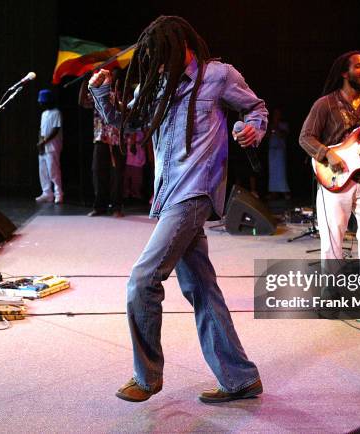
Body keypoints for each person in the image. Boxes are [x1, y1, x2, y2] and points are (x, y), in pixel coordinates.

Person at [89, 15, 266, 404]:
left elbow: (256, 109)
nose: (154, 61)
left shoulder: (218, 75)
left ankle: (146, 376)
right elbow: (126, 123)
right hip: (169, 193)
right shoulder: (155, 85)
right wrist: (103, 94)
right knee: (202, 289)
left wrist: (252, 128)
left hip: (195, 191)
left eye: (160, 52)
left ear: (182, 45)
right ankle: (239, 377)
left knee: (142, 280)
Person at [299, 51, 360, 260]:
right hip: (335, 179)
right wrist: (328, 153)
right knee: (332, 242)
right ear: (344, 74)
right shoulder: (325, 104)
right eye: (358, 66)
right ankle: (331, 291)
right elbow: (305, 138)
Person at [79, 73, 125, 217]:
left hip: (117, 139)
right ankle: (100, 207)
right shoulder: (97, 94)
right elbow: (82, 102)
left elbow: (127, 112)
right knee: (98, 172)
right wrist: (85, 81)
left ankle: (116, 207)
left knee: (117, 175)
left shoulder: (120, 94)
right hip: (101, 138)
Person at [35, 89, 64, 204]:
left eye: (42, 101)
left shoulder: (56, 112)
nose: (40, 103)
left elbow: (56, 129)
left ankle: (58, 193)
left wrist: (45, 141)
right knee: (43, 170)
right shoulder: (44, 114)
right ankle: (47, 193)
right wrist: (40, 143)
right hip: (44, 146)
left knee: (53, 170)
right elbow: (41, 130)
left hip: (53, 145)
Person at [267, 107, 291, 199]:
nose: (276, 116)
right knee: (273, 172)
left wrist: (276, 127)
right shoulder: (270, 125)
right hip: (272, 150)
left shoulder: (283, 125)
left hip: (280, 150)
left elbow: (284, 135)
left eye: (278, 114)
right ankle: (274, 192)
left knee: (281, 172)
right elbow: (267, 136)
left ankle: (285, 192)